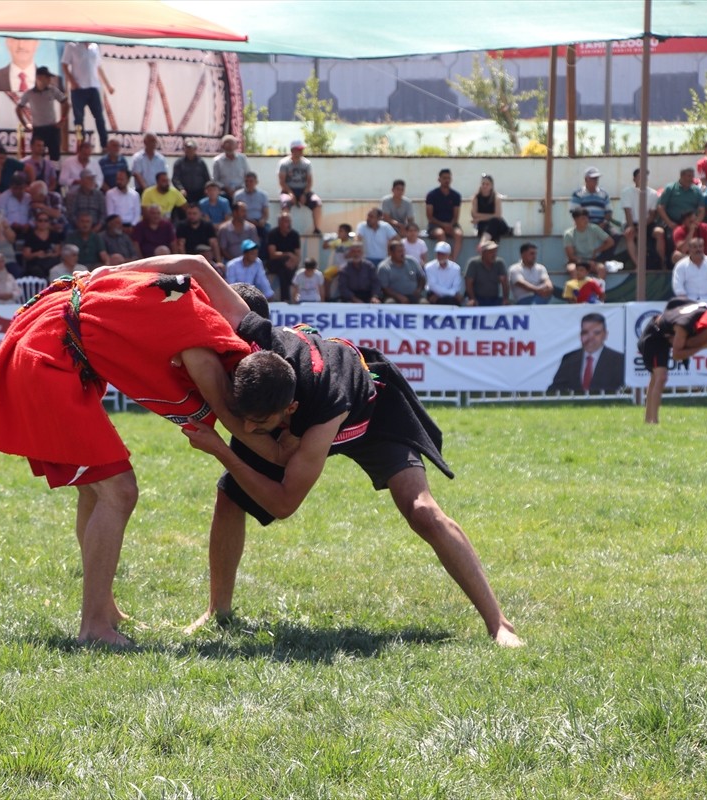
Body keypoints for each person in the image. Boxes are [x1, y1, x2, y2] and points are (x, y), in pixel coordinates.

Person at [180, 288, 523, 647]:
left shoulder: (322, 397)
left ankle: (499, 623)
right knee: (230, 496)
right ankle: (217, 610)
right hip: (287, 413)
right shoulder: (252, 364)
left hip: (368, 413)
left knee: (420, 508)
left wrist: (222, 449)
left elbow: (283, 504)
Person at [0, 255, 253, 644]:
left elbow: (194, 262)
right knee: (118, 491)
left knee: (96, 487)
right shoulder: (202, 332)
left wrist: (114, 269)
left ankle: (103, 608)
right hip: (45, 364)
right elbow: (227, 412)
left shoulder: (178, 293)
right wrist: (269, 447)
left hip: (44, 353)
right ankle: (94, 627)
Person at [547, 312, 624, 393]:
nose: (590, 337)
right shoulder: (569, 358)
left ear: (605, 335)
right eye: (585, 332)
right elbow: (554, 390)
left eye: (596, 333)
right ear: (580, 335)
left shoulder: (619, 360)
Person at [60, 41, 114, 147]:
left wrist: (108, 85)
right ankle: (81, 144)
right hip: (78, 88)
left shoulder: (95, 47)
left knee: (99, 117)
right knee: (79, 119)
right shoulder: (72, 46)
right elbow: (64, 65)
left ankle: (104, 145)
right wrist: (72, 82)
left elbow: (98, 67)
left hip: (93, 87)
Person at [14, 66, 68, 163]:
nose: (49, 79)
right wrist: (25, 124)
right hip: (38, 130)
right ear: (39, 78)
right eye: (47, 77)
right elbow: (18, 108)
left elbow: (66, 104)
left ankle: (54, 176)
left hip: (52, 128)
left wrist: (62, 120)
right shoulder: (29, 93)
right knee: (37, 158)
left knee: (55, 157)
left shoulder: (53, 90)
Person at [621, 167, 665, 270]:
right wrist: (633, 227)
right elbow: (628, 212)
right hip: (631, 222)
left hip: (647, 223)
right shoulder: (626, 192)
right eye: (640, 177)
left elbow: (653, 214)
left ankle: (662, 262)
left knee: (659, 232)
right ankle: (638, 265)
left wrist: (642, 226)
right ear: (634, 179)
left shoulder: (653, 193)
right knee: (629, 234)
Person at [569, 167, 621, 252]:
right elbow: (575, 212)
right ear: (586, 179)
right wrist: (587, 225)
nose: (596, 180)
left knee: (616, 236)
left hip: (602, 223)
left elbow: (609, 211)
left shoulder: (604, 194)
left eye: (597, 178)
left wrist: (603, 223)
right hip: (585, 224)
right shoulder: (578, 194)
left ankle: (602, 258)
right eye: (593, 178)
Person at [277, 141, 322, 234]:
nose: (302, 151)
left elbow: (310, 182)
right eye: (299, 149)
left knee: (317, 202)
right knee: (285, 202)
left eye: (302, 149)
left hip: (304, 190)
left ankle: (317, 229)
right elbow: (282, 182)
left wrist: (304, 194)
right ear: (293, 150)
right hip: (288, 190)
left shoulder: (307, 163)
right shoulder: (284, 163)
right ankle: (286, 229)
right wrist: (290, 193)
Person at [425, 168, 463, 261]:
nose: (447, 180)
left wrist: (450, 225)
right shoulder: (431, 195)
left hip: (451, 224)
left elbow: (456, 216)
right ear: (439, 179)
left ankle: (452, 260)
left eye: (448, 178)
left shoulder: (456, 195)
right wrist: (443, 225)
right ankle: (444, 259)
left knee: (459, 234)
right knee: (440, 233)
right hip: (435, 225)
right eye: (444, 178)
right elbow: (430, 216)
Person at [563, 208, 614, 275]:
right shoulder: (569, 234)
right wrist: (586, 262)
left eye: (587, 218)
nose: (586, 220)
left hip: (594, 260)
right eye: (583, 218)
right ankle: (576, 285)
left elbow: (610, 242)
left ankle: (599, 285)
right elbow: (571, 256)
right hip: (577, 262)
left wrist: (597, 250)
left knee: (602, 269)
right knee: (572, 269)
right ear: (575, 220)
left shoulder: (594, 228)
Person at [378, 238, 425, 304]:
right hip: (393, 296)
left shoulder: (412, 261)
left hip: (413, 295)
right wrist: (399, 296)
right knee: (390, 303)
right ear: (391, 253)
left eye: (403, 251)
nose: (403, 254)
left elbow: (422, 277)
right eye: (399, 251)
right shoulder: (384, 267)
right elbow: (384, 288)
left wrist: (419, 289)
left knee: (424, 303)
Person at [463, 241, 508, 307]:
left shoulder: (499, 263)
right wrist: (472, 299)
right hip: (477, 298)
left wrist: (505, 299)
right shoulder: (473, 263)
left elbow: (504, 282)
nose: (494, 254)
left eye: (495, 251)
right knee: (469, 304)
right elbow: (468, 283)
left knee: (508, 305)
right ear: (483, 253)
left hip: (495, 298)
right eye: (491, 252)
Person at [470, 173, 510, 245]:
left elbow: (498, 216)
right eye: (483, 184)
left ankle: (482, 243)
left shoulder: (496, 198)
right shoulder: (476, 198)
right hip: (484, 226)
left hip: (498, 224)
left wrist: (480, 218)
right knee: (490, 228)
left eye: (487, 184)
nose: (485, 186)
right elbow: (474, 214)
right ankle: (486, 245)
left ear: (491, 186)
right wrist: (490, 217)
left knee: (494, 221)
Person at [337, 239, 380, 303]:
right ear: (350, 253)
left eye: (358, 251)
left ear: (362, 253)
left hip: (368, 296)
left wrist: (374, 296)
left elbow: (376, 283)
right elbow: (343, 288)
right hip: (350, 298)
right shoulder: (344, 269)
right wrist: (354, 299)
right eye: (354, 251)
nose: (356, 254)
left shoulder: (369, 266)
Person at [21, 211, 62, 277]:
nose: (43, 223)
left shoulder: (54, 235)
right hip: (35, 263)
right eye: (40, 220)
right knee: (36, 270)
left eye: (46, 220)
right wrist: (36, 254)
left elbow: (58, 252)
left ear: (49, 222)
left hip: (50, 261)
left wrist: (50, 254)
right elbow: (26, 255)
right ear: (36, 222)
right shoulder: (30, 236)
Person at [424, 241, 462, 306]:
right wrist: (451, 293)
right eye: (438, 253)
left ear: (448, 254)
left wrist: (442, 294)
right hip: (434, 294)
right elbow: (433, 286)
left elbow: (456, 286)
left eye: (443, 254)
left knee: (451, 301)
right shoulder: (429, 267)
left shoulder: (456, 268)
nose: (440, 256)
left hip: (450, 298)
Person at [212, 135, 249, 200]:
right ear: (222, 146)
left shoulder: (242, 159)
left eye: (232, 143)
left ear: (236, 146)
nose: (229, 146)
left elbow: (248, 175)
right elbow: (215, 180)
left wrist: (238, 189)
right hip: (224, 193)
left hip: (241, 191)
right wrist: (226, 189)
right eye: (227, 143)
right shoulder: (217, 161)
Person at [173, 139, 210, 204]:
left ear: (195, 149)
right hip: (185, 193)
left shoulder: (201, 162)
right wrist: (181, 189)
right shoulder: (179, 163)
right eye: (187, 148)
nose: (189, 150)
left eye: (191, 148)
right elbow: (175, 179)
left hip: (200, 192)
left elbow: (207, 178)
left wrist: (207, 189)